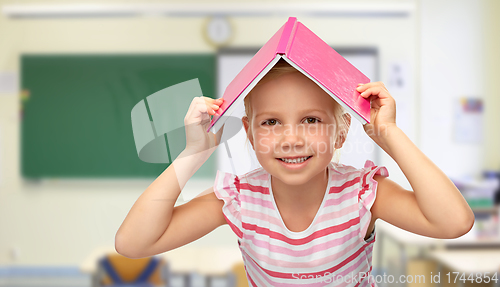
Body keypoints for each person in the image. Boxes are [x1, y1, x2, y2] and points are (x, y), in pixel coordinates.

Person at [115, 59, 474, 286]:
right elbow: (133, 244)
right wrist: (195, 152)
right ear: (251, 133)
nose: (291, 139)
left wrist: (389, 135)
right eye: (271, 122)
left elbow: (453, 223)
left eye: (311, 120)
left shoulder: (361, 193)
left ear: (341, 130)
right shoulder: (239, 199)